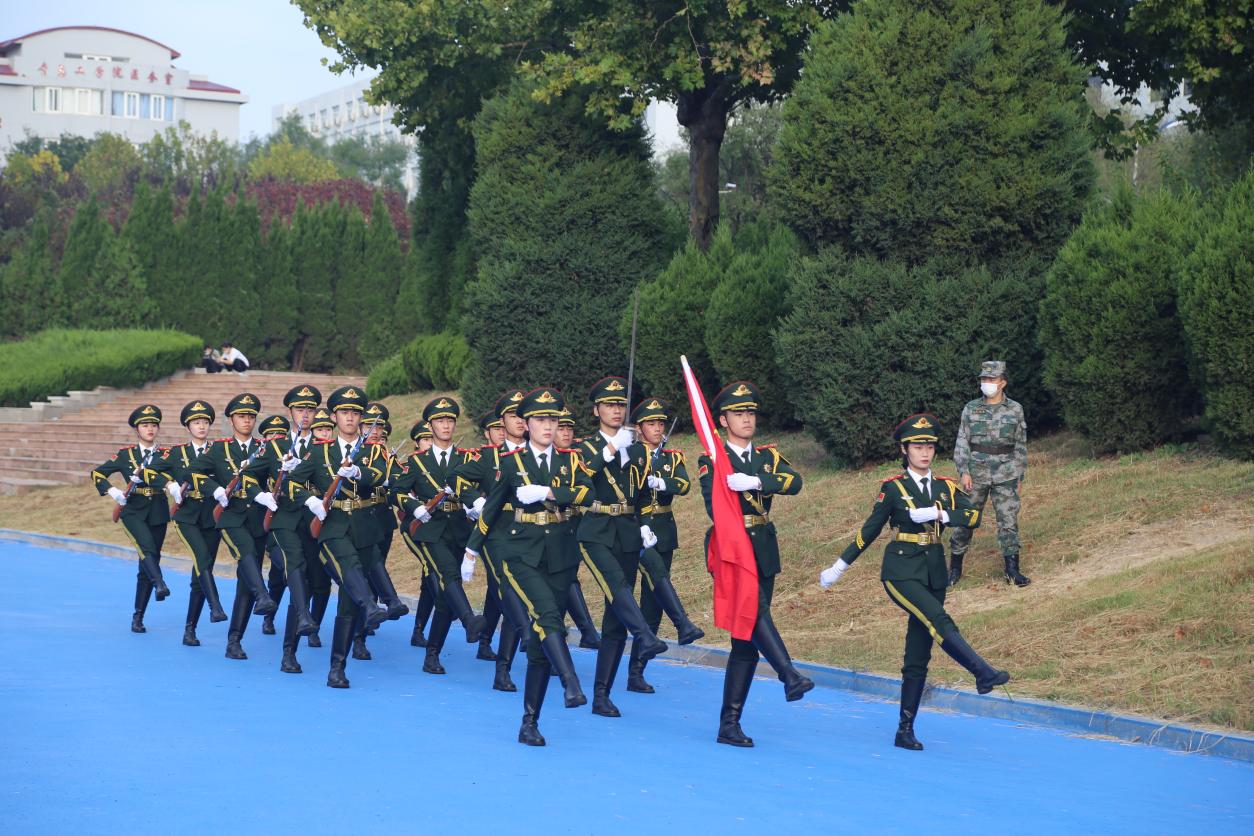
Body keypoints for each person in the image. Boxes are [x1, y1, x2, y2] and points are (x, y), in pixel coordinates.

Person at [820, 413, 1010, 751]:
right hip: (901, 570)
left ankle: (904, 729)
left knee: (918, 650)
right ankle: (981, 671)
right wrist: (840, 565)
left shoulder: (945, 488)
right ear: (905, 449)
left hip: (934, 569)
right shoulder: (893, 488)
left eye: (930, 446)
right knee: (938, 620)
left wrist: (941, 515)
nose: (925, 452)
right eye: (918, 446)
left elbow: (973, 516)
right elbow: (870, 530)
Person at [465, 387, 591, 746]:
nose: (548, 425)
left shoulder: (570, 461)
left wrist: (550, 493)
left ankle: (529, 722)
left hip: (561, 555)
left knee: (539, 646)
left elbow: (587, 494)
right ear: (527, 425)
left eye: (553, 419)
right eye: (540, 419)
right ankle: (571, 682)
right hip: (521, 554)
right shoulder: (512, 463)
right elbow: (491, 509)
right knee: (549, 617)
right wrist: (471, 551)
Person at [699, 381, 813, 748]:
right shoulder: (713, 460)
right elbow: (711, 507)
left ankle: (728, 724)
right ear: (723, 420)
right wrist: (729, 484)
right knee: (754, 612)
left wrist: (757, 480)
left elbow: (795, 483)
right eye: (739, 413)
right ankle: (788, 673)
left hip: (762, 546)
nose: (747, 419)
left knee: (745, 642)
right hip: (732, 548)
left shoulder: (766, 457)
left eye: (750, 413)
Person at [576, 376, 669, 719]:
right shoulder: (585, 447)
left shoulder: (638, 448)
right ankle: (644, 635)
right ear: (596, 409)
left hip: (627, 529)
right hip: (596, 529)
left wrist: (645, 523)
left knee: (615, 615)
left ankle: (602, 695)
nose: (616, 410)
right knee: (617, 586)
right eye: (609, 405)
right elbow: (582, 476)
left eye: (620, 405)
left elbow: (643, 493)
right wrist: (613, 449)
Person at [288, 385, 391, 689]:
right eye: (344, 412)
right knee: (347, 568)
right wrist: (310, 501)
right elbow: (293, 484)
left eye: (355, 412)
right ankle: (371, 606)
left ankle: (337, 667)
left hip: (364, 526)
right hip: (332, 527)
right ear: (333, 416)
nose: (350, 417)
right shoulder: (320, 451)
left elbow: (383, 476)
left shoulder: (372, 450)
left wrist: (360, 473)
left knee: (347, 604)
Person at [390, 396, 485, 675]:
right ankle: (468, 620)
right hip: (430, 530)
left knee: (445, 595)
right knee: (447, 574)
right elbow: (396, 491)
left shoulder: (467, 458)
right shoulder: (418, 461)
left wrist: (475, 503)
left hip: (459, 527)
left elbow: (484, 485)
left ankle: (432, 653)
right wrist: (414, 506)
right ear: (430, 426)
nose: (445, 425)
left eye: (450, 420)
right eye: (440, 421)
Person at [450, 392, 536, 691]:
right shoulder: (489, 457)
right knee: (508, 588)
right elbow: (457, 478)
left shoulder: (539, 453)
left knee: (521, 594)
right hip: (498, 530)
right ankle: (514, 653)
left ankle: (511, 661)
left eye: (524, 416)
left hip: (534, 532)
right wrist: (476, 500)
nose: (520, 422)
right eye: (514, 416)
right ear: (502, 421)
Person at [189, 393, 278, 660]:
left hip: (258, 515)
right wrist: (214, 489)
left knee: (245, 582)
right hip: (230, 516)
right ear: (231, 419)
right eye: (242, 416)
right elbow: (192, 472)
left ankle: (234, 640)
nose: (247, 420)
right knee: (246, 554)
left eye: (251, 416)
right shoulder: (219, 448)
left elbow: (276, 476)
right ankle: (263, 594)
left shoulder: (266, 448)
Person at [627, 396, 703, 694]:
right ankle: (682, 623)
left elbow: (683, 485)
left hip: (663, 530)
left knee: (653, 602)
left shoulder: (671, 457)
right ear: (639, 427)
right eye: (651, 423)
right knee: (649, 583)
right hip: (634, 527)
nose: (658, 428)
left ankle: (637, 671)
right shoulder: (630, 454)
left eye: (661, 423)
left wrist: (660, 482)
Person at [91, 404, 177, 633]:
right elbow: (98, 473)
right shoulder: (125, 454)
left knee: (147, 563)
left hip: (157, 509)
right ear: (137, 430)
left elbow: (176, 474)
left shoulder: (166, 454)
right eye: (145, 425)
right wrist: (113, 492)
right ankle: (160, 583)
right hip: (133, 510)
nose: (150, 429)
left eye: (153, 425)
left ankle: (138, 616)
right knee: (147, 549)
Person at [150, 400, 228, 646]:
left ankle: (190, 629)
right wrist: (169, 485)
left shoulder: (218, 451)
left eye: (205, 422)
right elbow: (148, 472)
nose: (202, 426)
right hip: (187, 516)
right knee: (202, 558)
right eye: (196, 423)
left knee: (200, 573)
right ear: (188, 426)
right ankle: (216, 606)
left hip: (211, 514)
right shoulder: (176, 453)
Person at [949, 360, 1031, 587]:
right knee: (965, 519)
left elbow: (1020, 445)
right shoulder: (971, 409)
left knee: (1008, 521)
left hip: (1006, 474)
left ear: (1002, 382)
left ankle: (1012, 570)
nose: (987, 383)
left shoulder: (1015, 409)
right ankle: (954, 568)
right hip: (976, 474)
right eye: (984, 379)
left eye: (992, 379)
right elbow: (962, 441)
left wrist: (1019, 476)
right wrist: (963, 471)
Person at [556, 406, 601, 651]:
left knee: (568, 579)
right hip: (549, 525)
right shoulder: (538, 458)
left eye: (569, 428)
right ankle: (584, 631)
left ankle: (578, 633)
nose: (565, 433)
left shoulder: (575, 457)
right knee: (560, 581)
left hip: (573, 524)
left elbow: (587, 490)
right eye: (560, 427)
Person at [406, 420, 438, 648]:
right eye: (425, 439)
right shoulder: (412, 465)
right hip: (414, 526)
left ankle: (419, 630)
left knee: (429, 581)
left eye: (431, 438)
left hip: (439, 528)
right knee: (431, 568)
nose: (429, 442)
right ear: (417, 443)